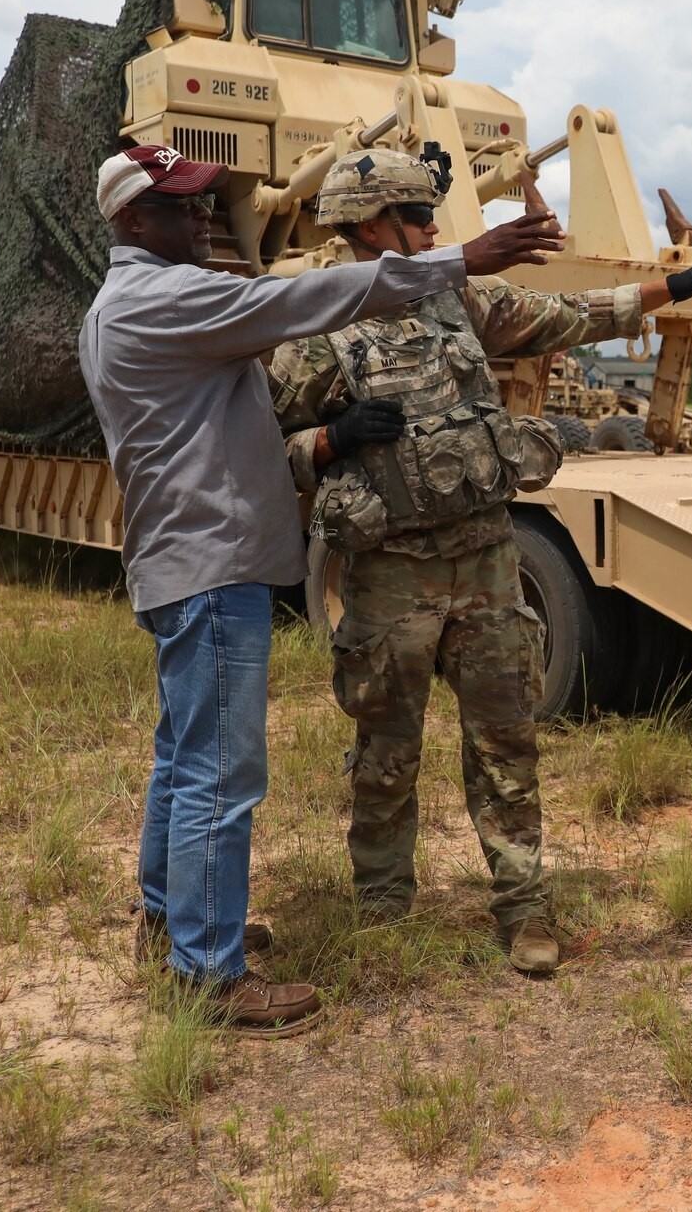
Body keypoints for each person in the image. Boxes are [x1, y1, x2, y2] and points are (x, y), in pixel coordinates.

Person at [78, 144, 563, 1034]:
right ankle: (211, 973)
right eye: (182, 208)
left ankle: (168, 923)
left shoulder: (120, 303)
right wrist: (455, 261)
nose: (204, 219)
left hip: (183, 564)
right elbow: (295, 300)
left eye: (204, 203)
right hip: (212, 566)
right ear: (131, 221)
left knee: (182, 760)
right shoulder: (166, 297)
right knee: (222, 775)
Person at [269, 147, 692, 975]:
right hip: (389, 573)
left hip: (486, 558)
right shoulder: (314, 321)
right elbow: (258, 448)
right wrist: (328, 440)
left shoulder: (454, 296)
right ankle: (382, 905)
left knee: (507, 740)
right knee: (387, 749)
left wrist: (673, 289)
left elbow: (566, 315)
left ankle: (523, 907)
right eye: (419, 217)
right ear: (372, 224)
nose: (431, 230)